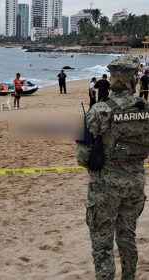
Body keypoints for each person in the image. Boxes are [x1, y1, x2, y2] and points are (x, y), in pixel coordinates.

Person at [76, 56, 149, 279]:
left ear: (114, 80)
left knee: (102, 245)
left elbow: (82, 155)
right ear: (134, 80)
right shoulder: (146, 109)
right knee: (127, 237)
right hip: (135, 184)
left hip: (105, 186)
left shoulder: (99, 111)